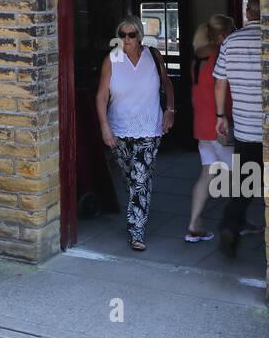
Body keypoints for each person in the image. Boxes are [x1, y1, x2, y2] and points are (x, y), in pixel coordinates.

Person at [96, 14, 173, 251]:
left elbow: (167, 83)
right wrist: (104, 127)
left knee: (139, 178)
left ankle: (136, 231)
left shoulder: (153, 55)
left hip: (149, 128)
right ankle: (139, 207)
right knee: (132, 178)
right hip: (120, 128)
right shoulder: (112, 59)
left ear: (140, 35)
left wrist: (170, 110)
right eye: (122, 35)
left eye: (131, 34)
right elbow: (101, 96)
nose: (126, 39)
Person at [214, 0, 264, 258]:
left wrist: (220, 115)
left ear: (247, 12)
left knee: (246, 183)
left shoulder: (231, 42)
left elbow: (220, 83)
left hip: (245, 127)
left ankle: (230, 227)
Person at [185, 14, 236, 243]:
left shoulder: (197, 59)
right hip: (221, 123)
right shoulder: (220, 56)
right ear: (222, 36)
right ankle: (235, 223)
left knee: (207, 172)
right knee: (238, 175)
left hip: (202, 125)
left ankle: (194, 223)